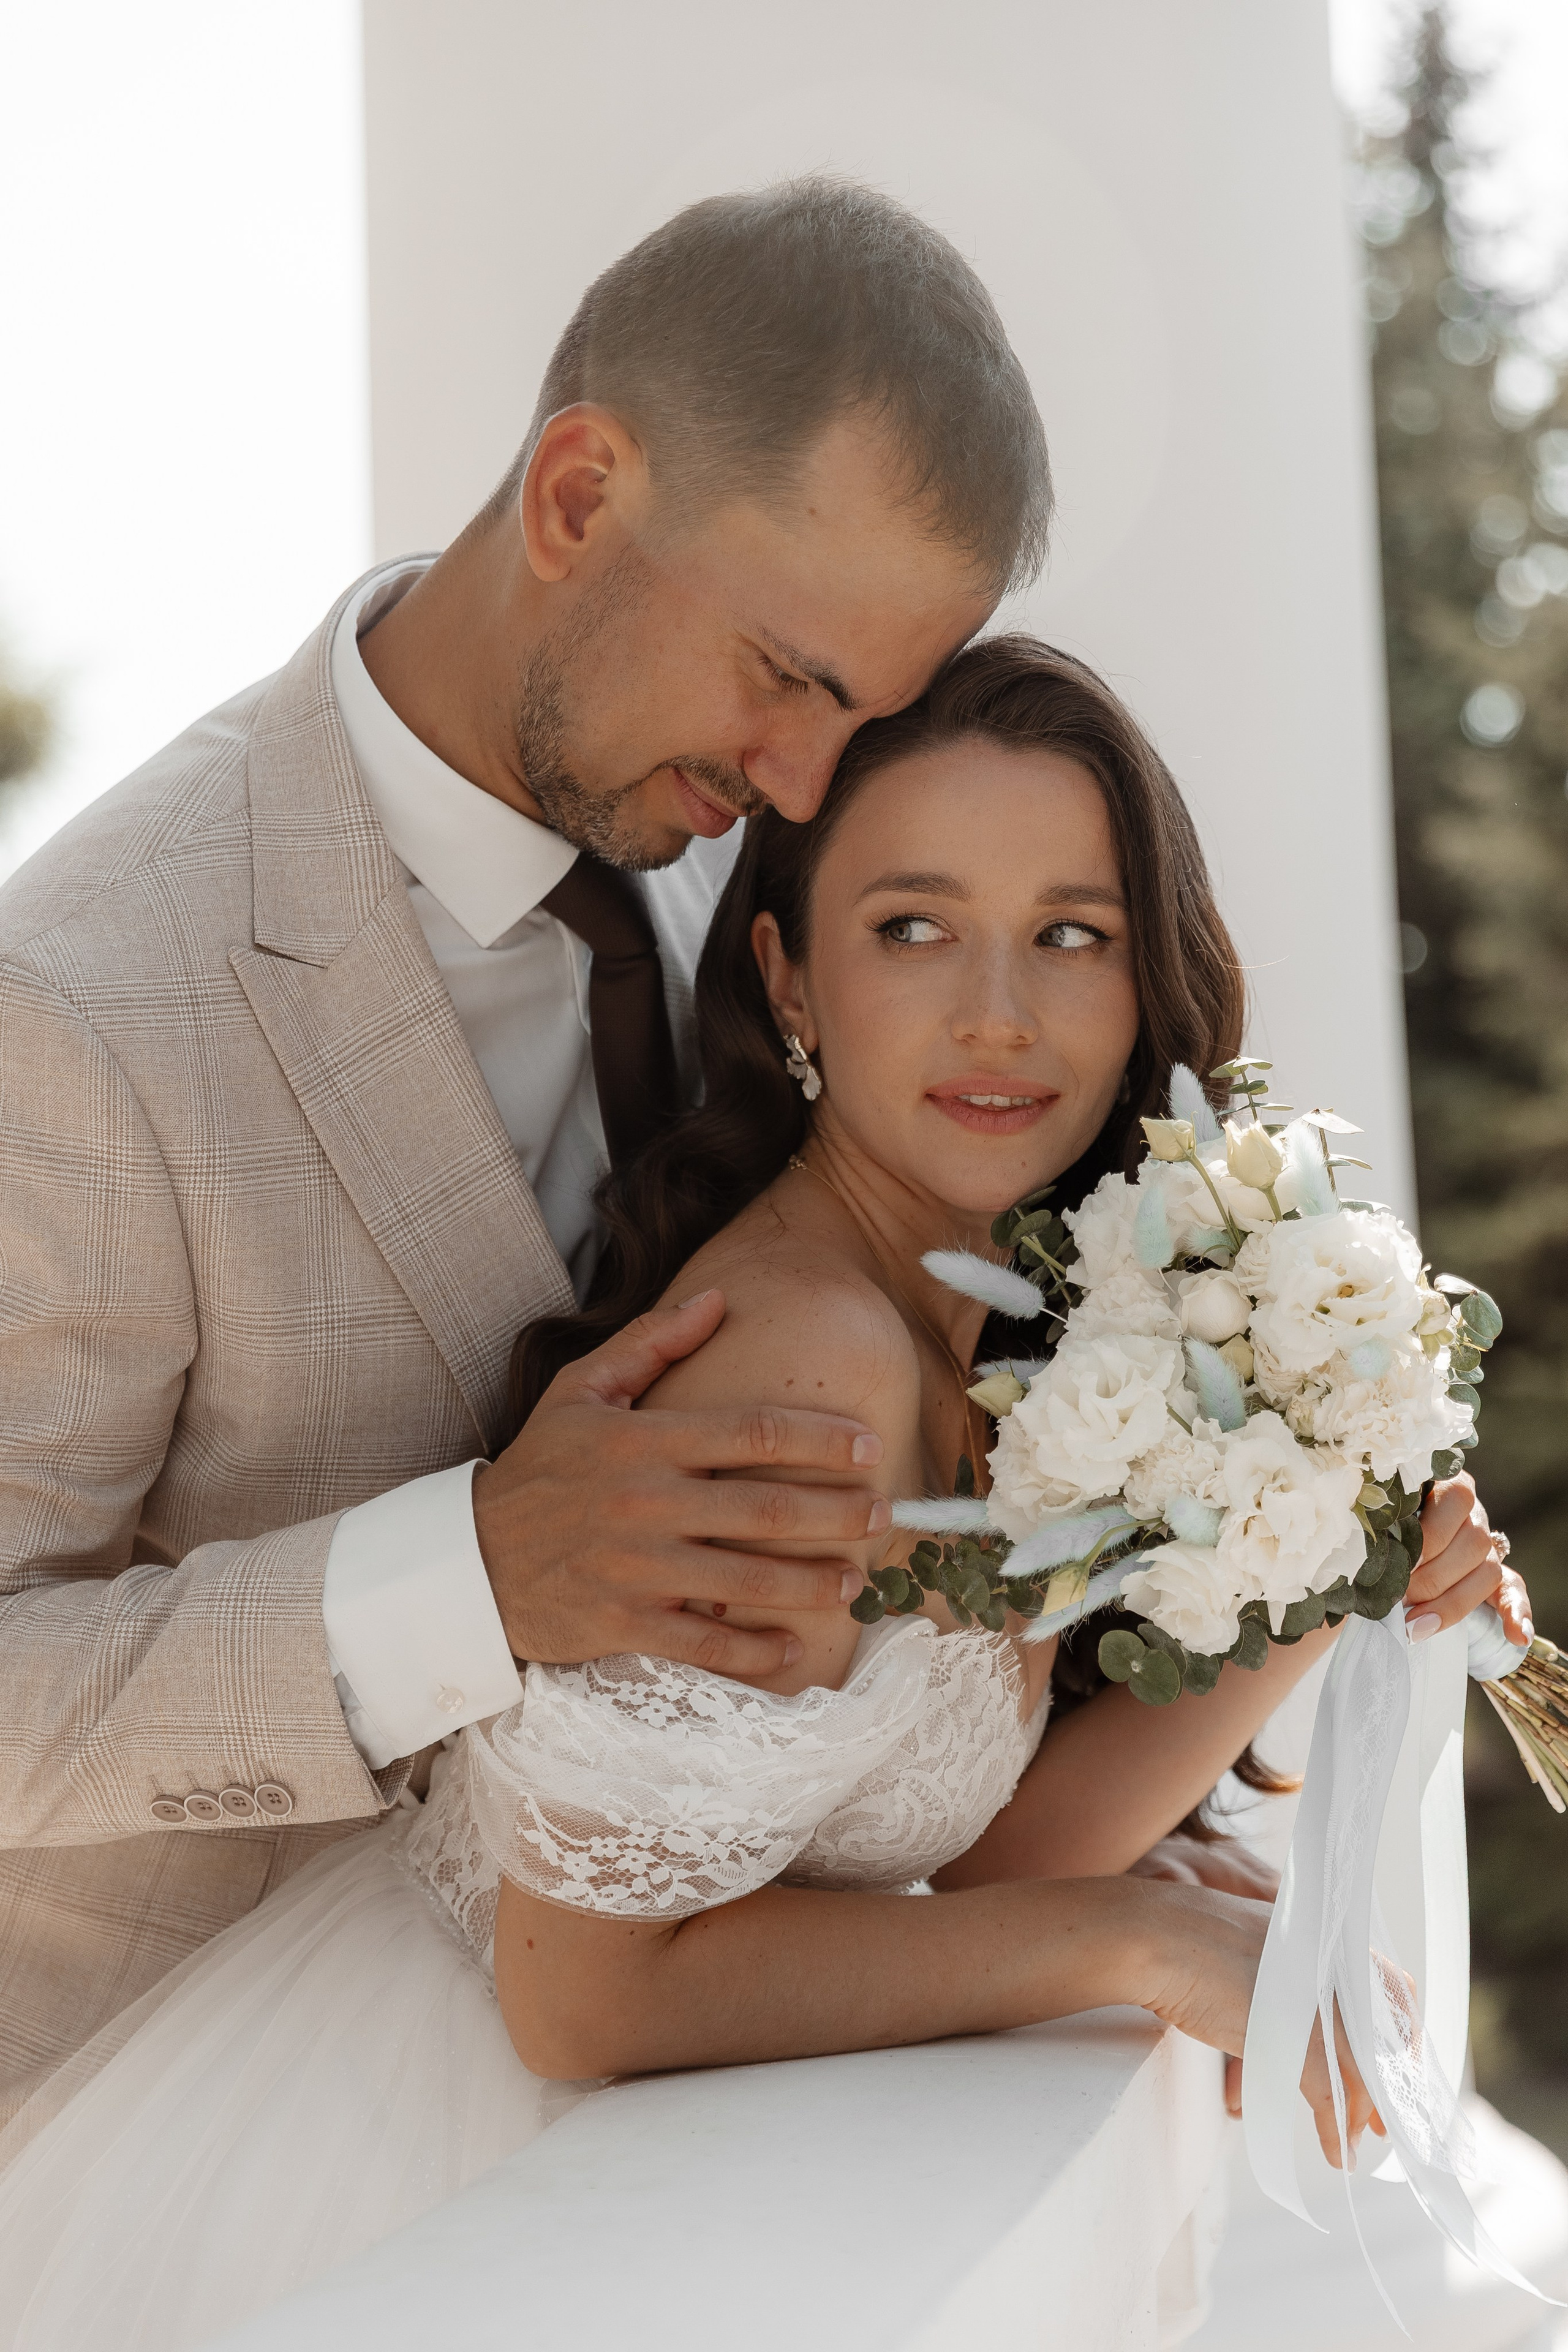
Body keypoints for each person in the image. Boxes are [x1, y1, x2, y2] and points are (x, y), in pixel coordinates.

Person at [0, 638, 1525, 2350]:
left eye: (1070, 935)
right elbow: (579, 1993)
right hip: (477, 2185)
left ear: (1143, 982)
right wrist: (1128, 1947)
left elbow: (982, 1838)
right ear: (792, 981)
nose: (1000, 1012)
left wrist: (1327, 1560)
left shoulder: (997, 1318)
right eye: (914, 928)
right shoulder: (814, 1372)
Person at [0, 176, 1044, 2121]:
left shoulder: (755, 857)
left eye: (869, 716)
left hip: (693, 2087)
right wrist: (461, 1581)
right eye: (794, 680)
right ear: (579, 496)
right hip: (191, 2144)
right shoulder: (78, 1004)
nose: (809, 790)